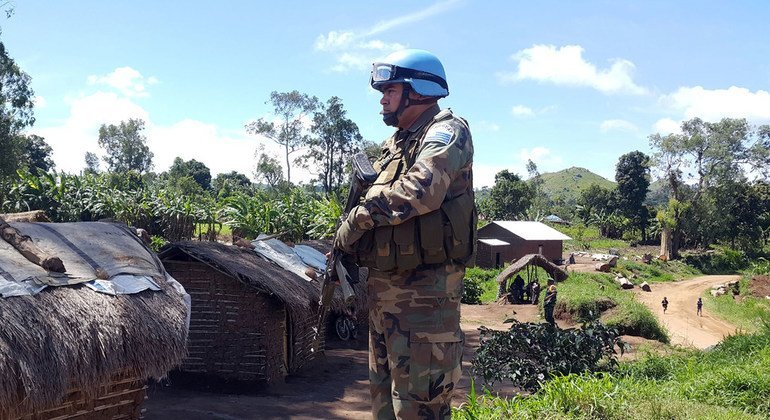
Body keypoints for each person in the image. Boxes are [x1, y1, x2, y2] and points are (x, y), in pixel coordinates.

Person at [334, 49, 475, 420]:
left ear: (418, 91)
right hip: (385, 296)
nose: (382, 98)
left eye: (390, 90)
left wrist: (360, 217)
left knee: (420, 409)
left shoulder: (447, 131)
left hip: (425, 298)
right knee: (384, 407)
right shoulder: (395, 143)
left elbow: (421, 189)